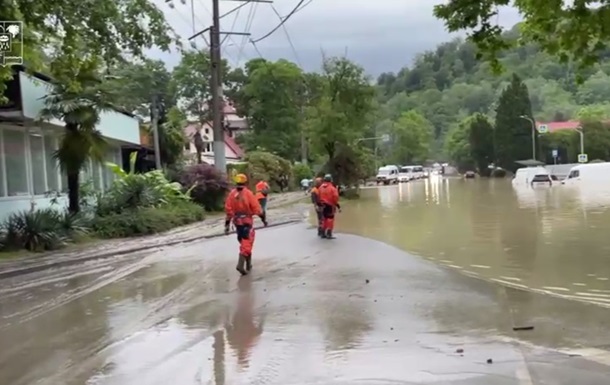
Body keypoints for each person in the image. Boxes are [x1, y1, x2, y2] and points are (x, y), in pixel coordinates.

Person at [225, 173, 268, 275]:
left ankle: (248, 264)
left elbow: (228, 210)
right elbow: (257, 209)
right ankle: (241, 265)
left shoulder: (231, 194)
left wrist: (227, 226)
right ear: (246, 182)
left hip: (237, 223)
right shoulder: (248, 194)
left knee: (244, 242)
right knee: (247, 243)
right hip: (246, 223)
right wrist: (264, 220)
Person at [318, 174, 341, 239]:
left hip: (322, 205)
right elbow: (335, 197)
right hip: (330, 205)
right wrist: (336, 204)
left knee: (324, 219)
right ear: (331, 180)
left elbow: (318, 196)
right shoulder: (332, 188)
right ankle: (329, 233)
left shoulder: (320, 187)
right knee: (330, 219)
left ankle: (323, 233)